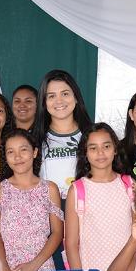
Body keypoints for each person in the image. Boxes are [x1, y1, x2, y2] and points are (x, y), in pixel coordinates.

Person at [64, 124, 136, 271]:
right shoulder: (78, 189)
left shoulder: (129, 185)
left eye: (106, 146)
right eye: (93, 148)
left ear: (115, 149)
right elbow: (71, 242)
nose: (101, 153)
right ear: (85, 153)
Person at [0, 128, 64, 271]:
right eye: (10, 152)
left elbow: (57, 233)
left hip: (42, 268)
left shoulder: (50, 188)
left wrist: (33, 266)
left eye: (23, 150)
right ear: (5, 157)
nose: (17, 157)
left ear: (34, 152)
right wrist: (3, 268)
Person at [34, 69, 94, 198]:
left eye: (65, 94)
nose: (59, 101)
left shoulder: (93, 135)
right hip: (47, 213)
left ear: (76, 97)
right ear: (44, 102)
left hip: (86, 210)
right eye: (51, 96)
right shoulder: (33, 139)